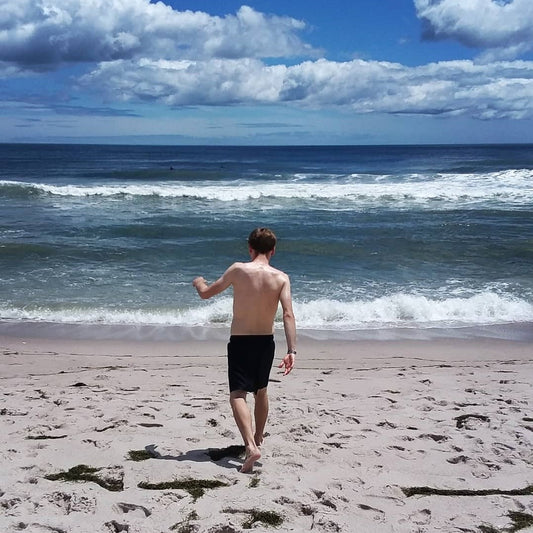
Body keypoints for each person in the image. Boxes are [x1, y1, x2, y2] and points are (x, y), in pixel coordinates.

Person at [192, 227, 296, 473]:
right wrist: (292, 350)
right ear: (273, 251)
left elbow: (207, 294)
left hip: (240, 342)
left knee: (238, 394)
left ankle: (250, 445)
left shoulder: (238, 269)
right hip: (265, 342)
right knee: (261, 390)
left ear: (249, 248)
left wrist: (199, 283)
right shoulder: (281, 277)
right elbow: (289, 314)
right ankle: (258, 435)